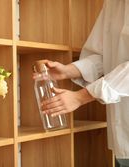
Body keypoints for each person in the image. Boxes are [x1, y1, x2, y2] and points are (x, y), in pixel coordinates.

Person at [37, 0, 129, 166]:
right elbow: (104, 55)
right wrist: (69, 70)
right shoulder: (113, 3)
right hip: (122, 136)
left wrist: (81, 96)